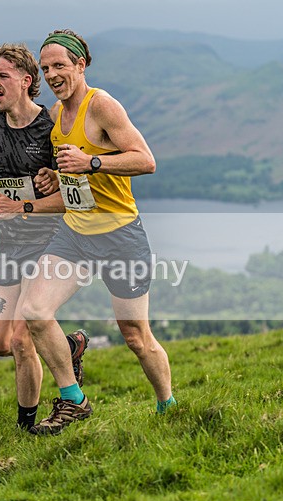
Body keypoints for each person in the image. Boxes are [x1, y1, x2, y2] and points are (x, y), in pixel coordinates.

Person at [21, 29, 176, 436]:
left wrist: (90, 162)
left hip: (120, 236)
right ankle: (73, 400)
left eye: (59, 65)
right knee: (35, 311)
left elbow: (145, 160)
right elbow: (72, 174)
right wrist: (53, 176)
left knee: (136, 337)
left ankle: (168, 406)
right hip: (75, 233)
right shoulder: (55, 115)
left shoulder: (102, 105)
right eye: (45, 68)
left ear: (80, 65)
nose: (52, 75)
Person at [0, 43, 89, 432]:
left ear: (26, 81)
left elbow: (74, 197)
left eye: (2, 76)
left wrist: (26, 204)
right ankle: (68, 347)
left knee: (23, 340)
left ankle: (26, 428)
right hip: (8, 243)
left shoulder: (51, 126)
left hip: (50, 242)